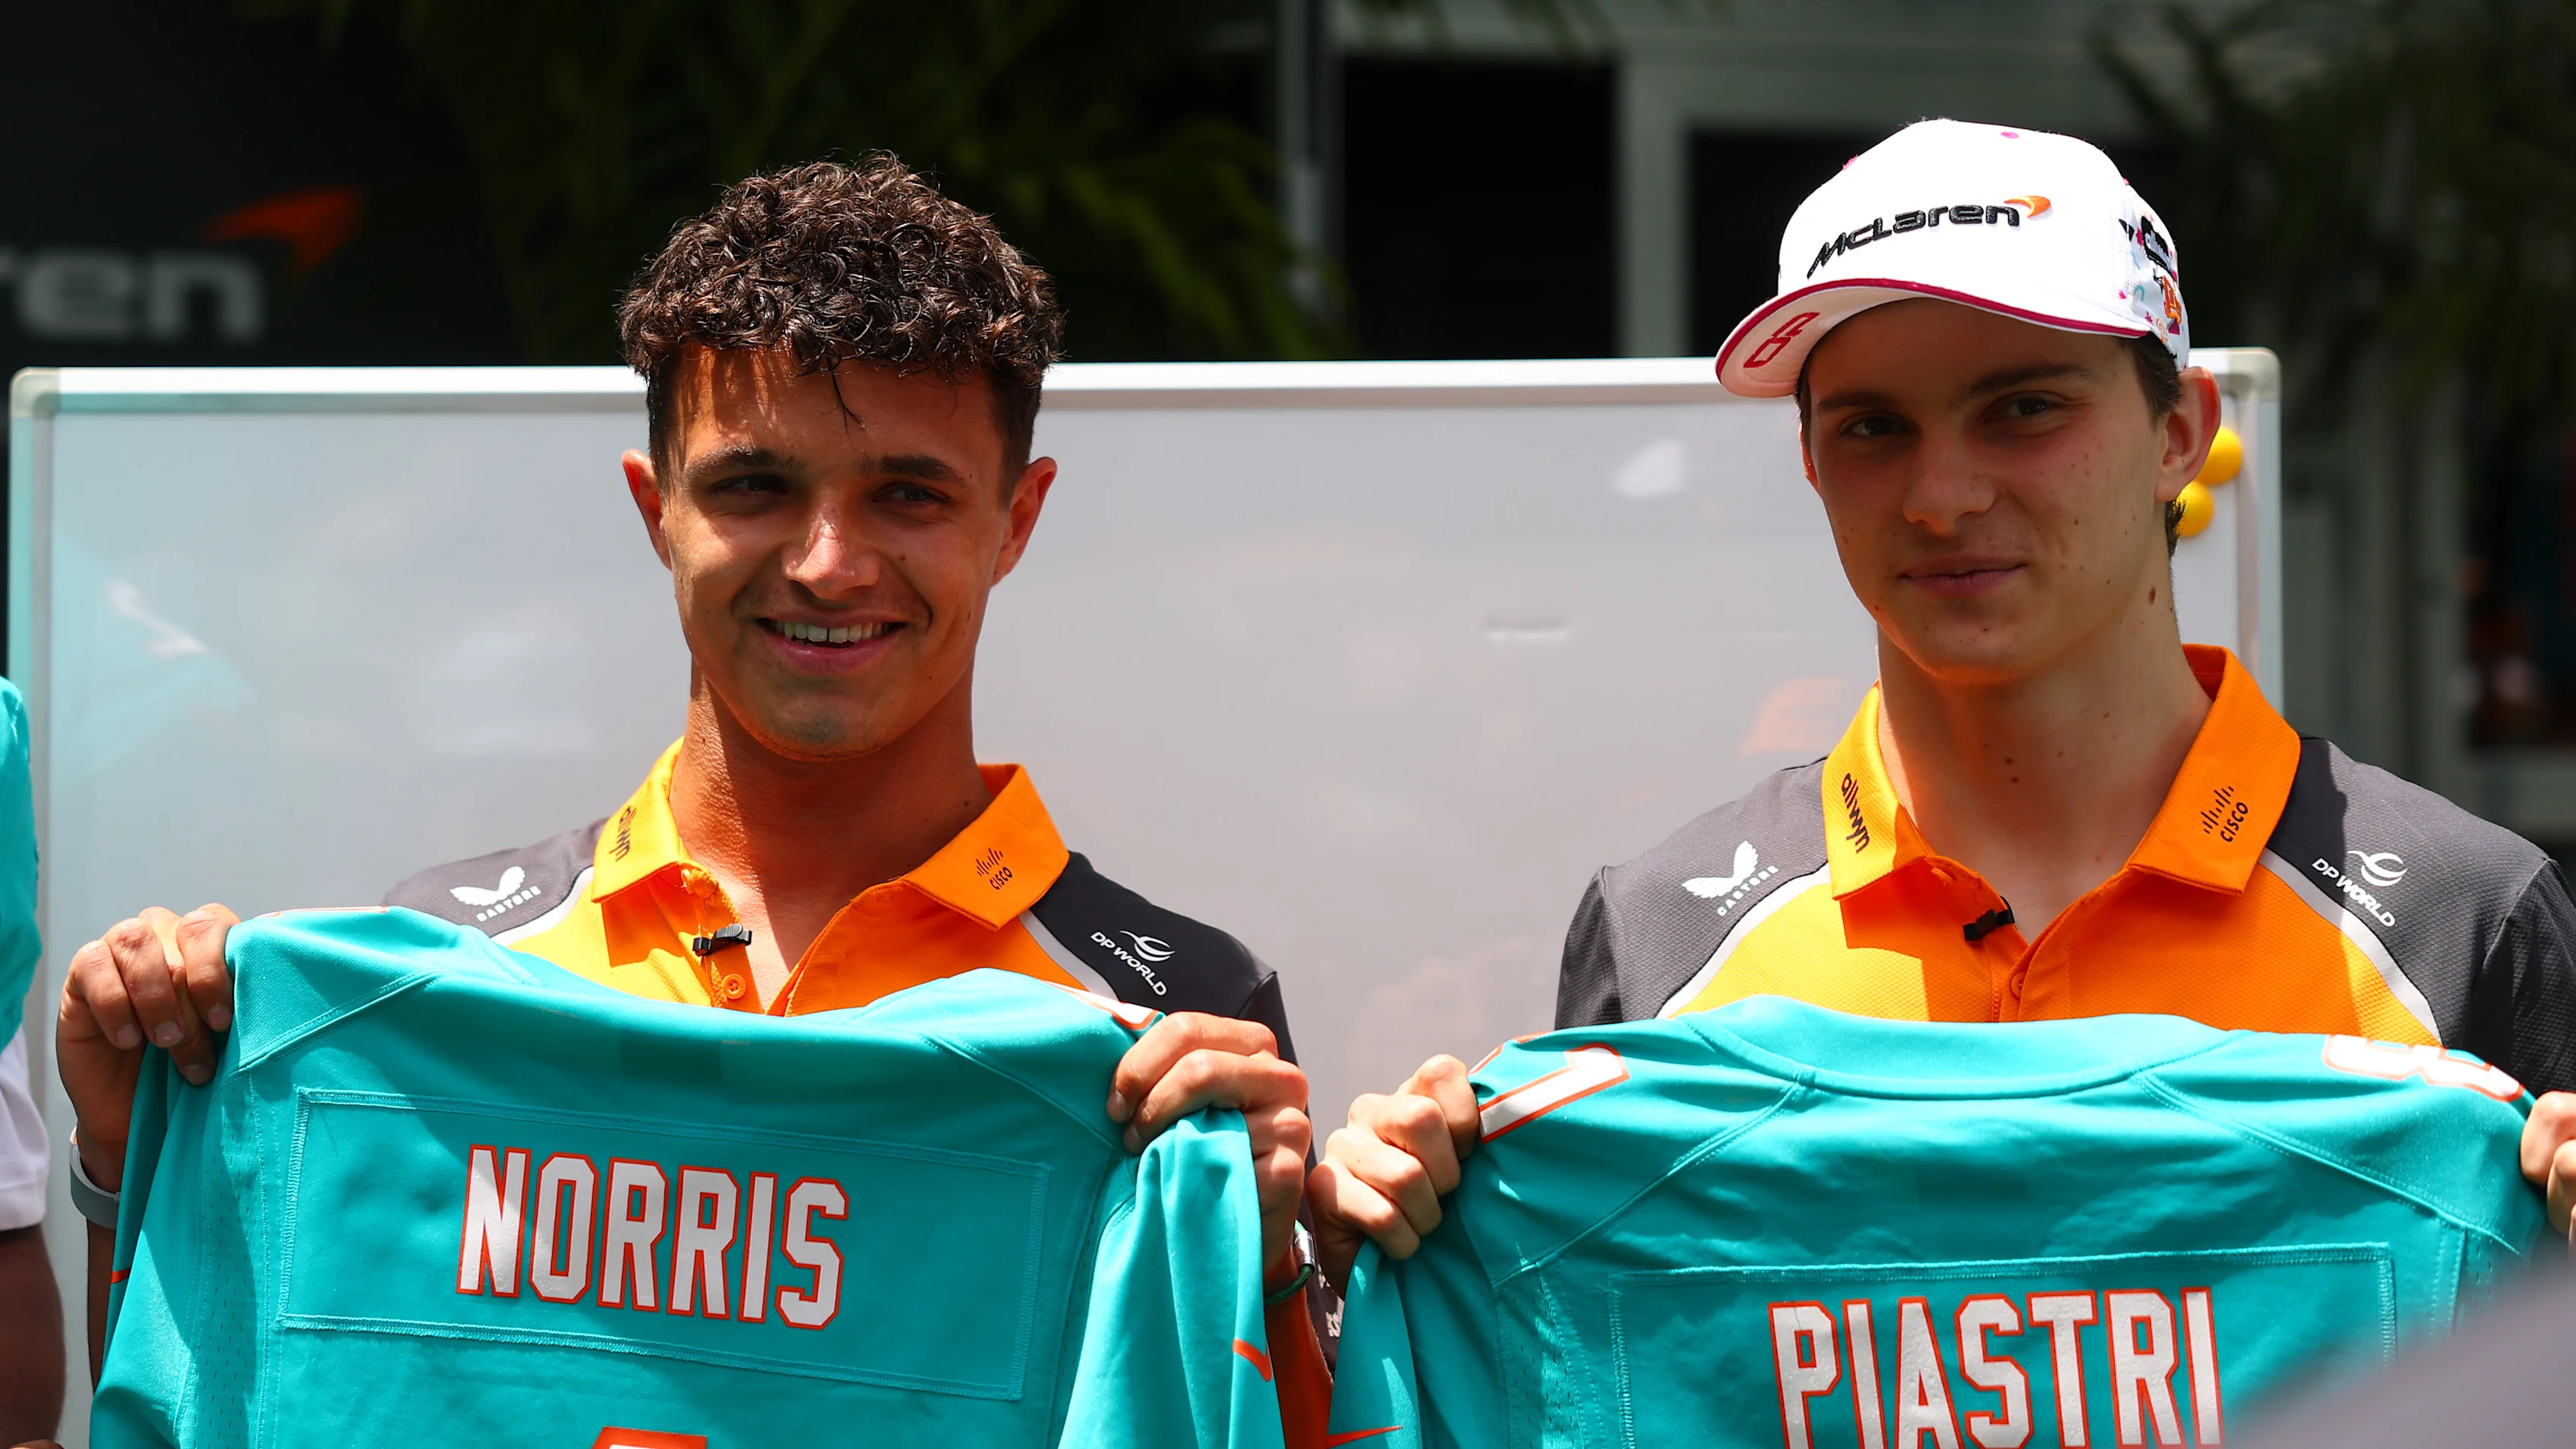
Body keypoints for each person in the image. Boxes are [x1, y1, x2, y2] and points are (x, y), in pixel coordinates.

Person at [52, 157, 1327, 1432]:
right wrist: (137, 1161)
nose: (830, 566)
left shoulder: (1176, 1019)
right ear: (656, 510)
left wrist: (1268, 1268)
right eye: (755, 487)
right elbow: (239, 1403)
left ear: (1017, 518)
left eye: (908, 493)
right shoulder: (434, 976)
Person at [1307, 118, 2576, 1283]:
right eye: (1872, 428)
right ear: (1809, 461)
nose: (1941, 495)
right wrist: (1389, 1231)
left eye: (2023, 408)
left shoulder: (2466, 916)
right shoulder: (1661, 936)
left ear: (2181, 430)